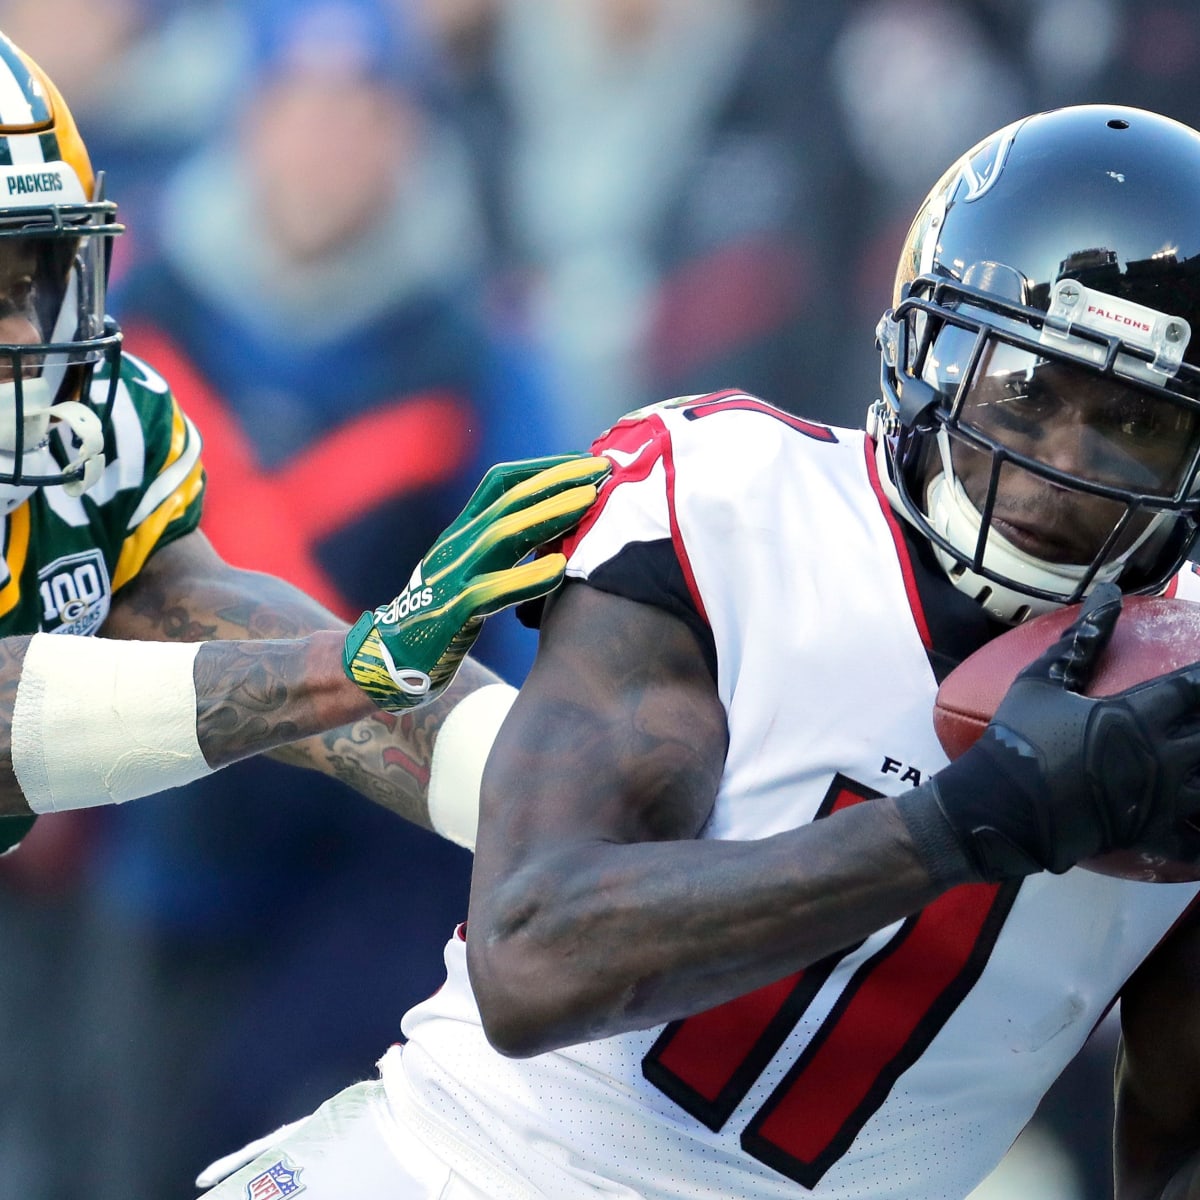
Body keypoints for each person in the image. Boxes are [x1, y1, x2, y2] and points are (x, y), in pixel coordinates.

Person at [205, 103, 1200, 1200]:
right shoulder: (733, 499)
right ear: (924, 354)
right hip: (465, 1172)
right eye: (1024, 388)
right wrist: (975, 821)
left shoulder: (1186, 693)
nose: (1063, 463)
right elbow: (536, 959)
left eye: (1137, 423)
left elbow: (1174, 1128)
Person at [0, 31, 606, 888]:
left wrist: (556, 801)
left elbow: (199, 612)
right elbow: (14, 716)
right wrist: (351, 668)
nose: (25, 336)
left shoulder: (104, 422)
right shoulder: (178, 304)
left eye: (32, 280)